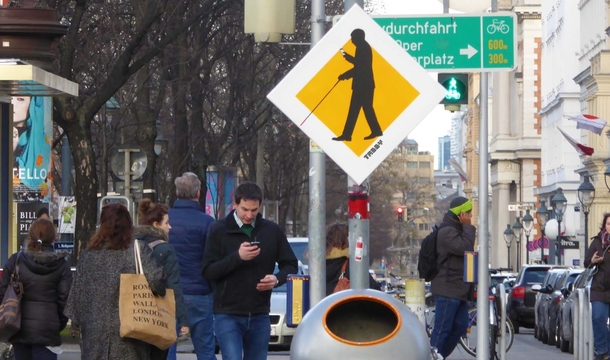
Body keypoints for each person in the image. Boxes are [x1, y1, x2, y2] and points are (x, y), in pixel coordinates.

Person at [203, 182, 298, 360]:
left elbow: (291, 264)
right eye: (245, 209)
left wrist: (277, 279)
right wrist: (237, 257)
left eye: (254, 210)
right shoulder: (219, 230)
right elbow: (208, 271)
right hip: (227, 313)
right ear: (235, 204)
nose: (249, 215)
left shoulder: (271, 231)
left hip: (259, 313)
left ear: (259, 206)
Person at [64, 203, 166, 359]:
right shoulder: (137, 250)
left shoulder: (89, 255)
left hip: (94, 340)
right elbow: (157, 282)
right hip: (131, 335)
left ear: (102, 225)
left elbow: (75, 302)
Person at [0, 219, 72, 360]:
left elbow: (2, 292)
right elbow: (65, 301)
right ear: (53, 237)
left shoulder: (16, 260)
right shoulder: (62, 266)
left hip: (18, 327)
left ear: (30, 235)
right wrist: (57, 324)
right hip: (47, 330)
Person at [167, 172, 216, 360]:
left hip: (169, 294)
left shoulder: (165, 220)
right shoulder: (208, 223)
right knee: (205, 350)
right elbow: (212, 259)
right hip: (200, 293)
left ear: (177, 192)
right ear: (198, 193)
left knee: (167, 348)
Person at [135, 199, 189, 359]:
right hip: (160, 312)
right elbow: (173, 286)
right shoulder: (165, 249)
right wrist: (182, 318)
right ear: (156, 225)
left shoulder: (132, 245)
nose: (170, 227)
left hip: (135, 309)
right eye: (167, 223)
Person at [429, 196, 476, 359]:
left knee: (460, 326)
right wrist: (468, 227)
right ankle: (433, 356)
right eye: (468, 213)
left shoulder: (457, 230)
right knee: (443, 328)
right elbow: (465, 248)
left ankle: (439, 355)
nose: (470, 216)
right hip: (448, 288)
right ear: (460, 214)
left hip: (458, 289)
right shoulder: (447, 231)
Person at [332, 28, 383, 142]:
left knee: (361, 109)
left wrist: (345, 75)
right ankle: (350, 134)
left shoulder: (362, 48)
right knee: (359, 109)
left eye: (353, 38)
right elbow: (358, 63)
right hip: (363, 84)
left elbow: (360, 67)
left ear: (358, 38)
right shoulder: (362, 47)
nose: (351, 41)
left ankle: (350, 134)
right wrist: (346, 56)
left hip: (364, 85)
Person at [325, 223, 380, 295]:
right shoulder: (351, 265)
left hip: (322, 305)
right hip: (341, 304)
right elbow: (374, 289)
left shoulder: (318, 265)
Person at [584, 213, 610, 360]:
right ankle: (601, 350)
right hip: (599, 288)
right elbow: (586, 263)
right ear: (604, 225)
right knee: (598, 319)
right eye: (608, 223)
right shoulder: (597, 242)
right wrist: (592, 260)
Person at [12, 96, 50, 192]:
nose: (12, 102)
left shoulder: (36, 136)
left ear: (31, 105)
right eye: (10, 97)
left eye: (20, 99)